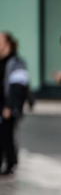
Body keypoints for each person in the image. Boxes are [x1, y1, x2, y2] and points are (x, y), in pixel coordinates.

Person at [0, 32, 30, 177]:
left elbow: (18, 87)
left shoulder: (17, 62)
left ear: (8, 44)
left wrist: (9, 106)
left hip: (8, 106)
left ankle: (10, 164)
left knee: (7, 136)